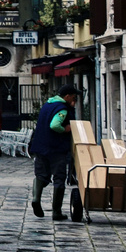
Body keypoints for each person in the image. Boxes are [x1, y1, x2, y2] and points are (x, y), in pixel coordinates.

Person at [28, 81, 80, 220]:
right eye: (74, 98)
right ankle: (56, 212)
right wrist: (65, 129)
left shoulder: (47, 105)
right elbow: (54, 125)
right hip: (56, 149)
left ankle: (35, 199)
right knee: (59, 179)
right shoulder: (62, 108)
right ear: (67, 96)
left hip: (40, 147)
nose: (75, 101)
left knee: (41, 175)